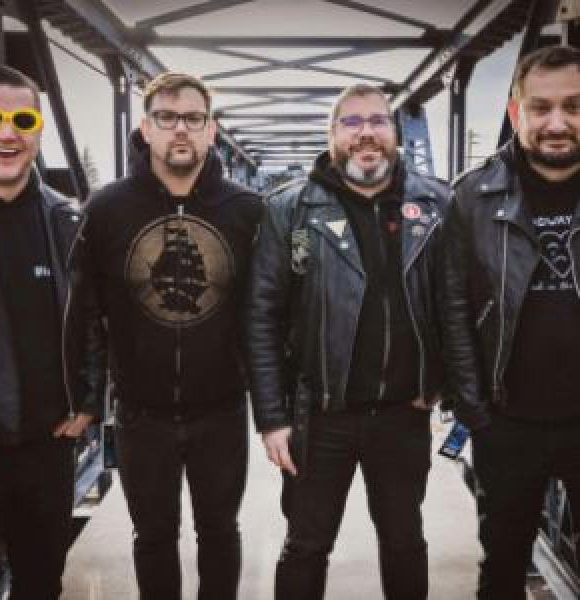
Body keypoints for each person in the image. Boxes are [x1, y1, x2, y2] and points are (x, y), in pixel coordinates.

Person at [247, 83, 448, 600]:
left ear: (395, 132)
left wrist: (441, 385)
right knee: (306, 545)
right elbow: (261, 316)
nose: (366, 133)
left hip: (403, 413)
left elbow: (456, 303)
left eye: (378, 121)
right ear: (332, 134)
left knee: (405, 542)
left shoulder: (435, 203)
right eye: (352, 122)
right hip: (319, 415)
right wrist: (271, 418)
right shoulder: (290, 208)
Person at [80, 72, 262, 600]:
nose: (180, 129)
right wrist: (90, 399)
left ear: (211, 129)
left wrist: (278, 408)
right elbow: (85, 313)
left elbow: (270, 313)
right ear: (146, 128)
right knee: (153, 536)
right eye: (166, 117)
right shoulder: (106, 209)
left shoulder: (247, 211)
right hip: (141, 412)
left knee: (220, 531)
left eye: (193, 118)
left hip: (221, 408)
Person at [442, 45, 580, 600]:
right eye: (541, 107)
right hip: (509, 422)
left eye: (574, 106)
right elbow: (452, 309)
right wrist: (475, 411)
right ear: (516, 111)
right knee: (502, 566)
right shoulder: (472, 196)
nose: (557, 123)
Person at [0, 62, 105, 599]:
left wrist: (89, 400)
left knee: (40, 584)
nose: (6, 133)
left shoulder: (66, 220)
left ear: (38, 131)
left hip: (48, 450)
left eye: (23, 120)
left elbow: (93, 321)